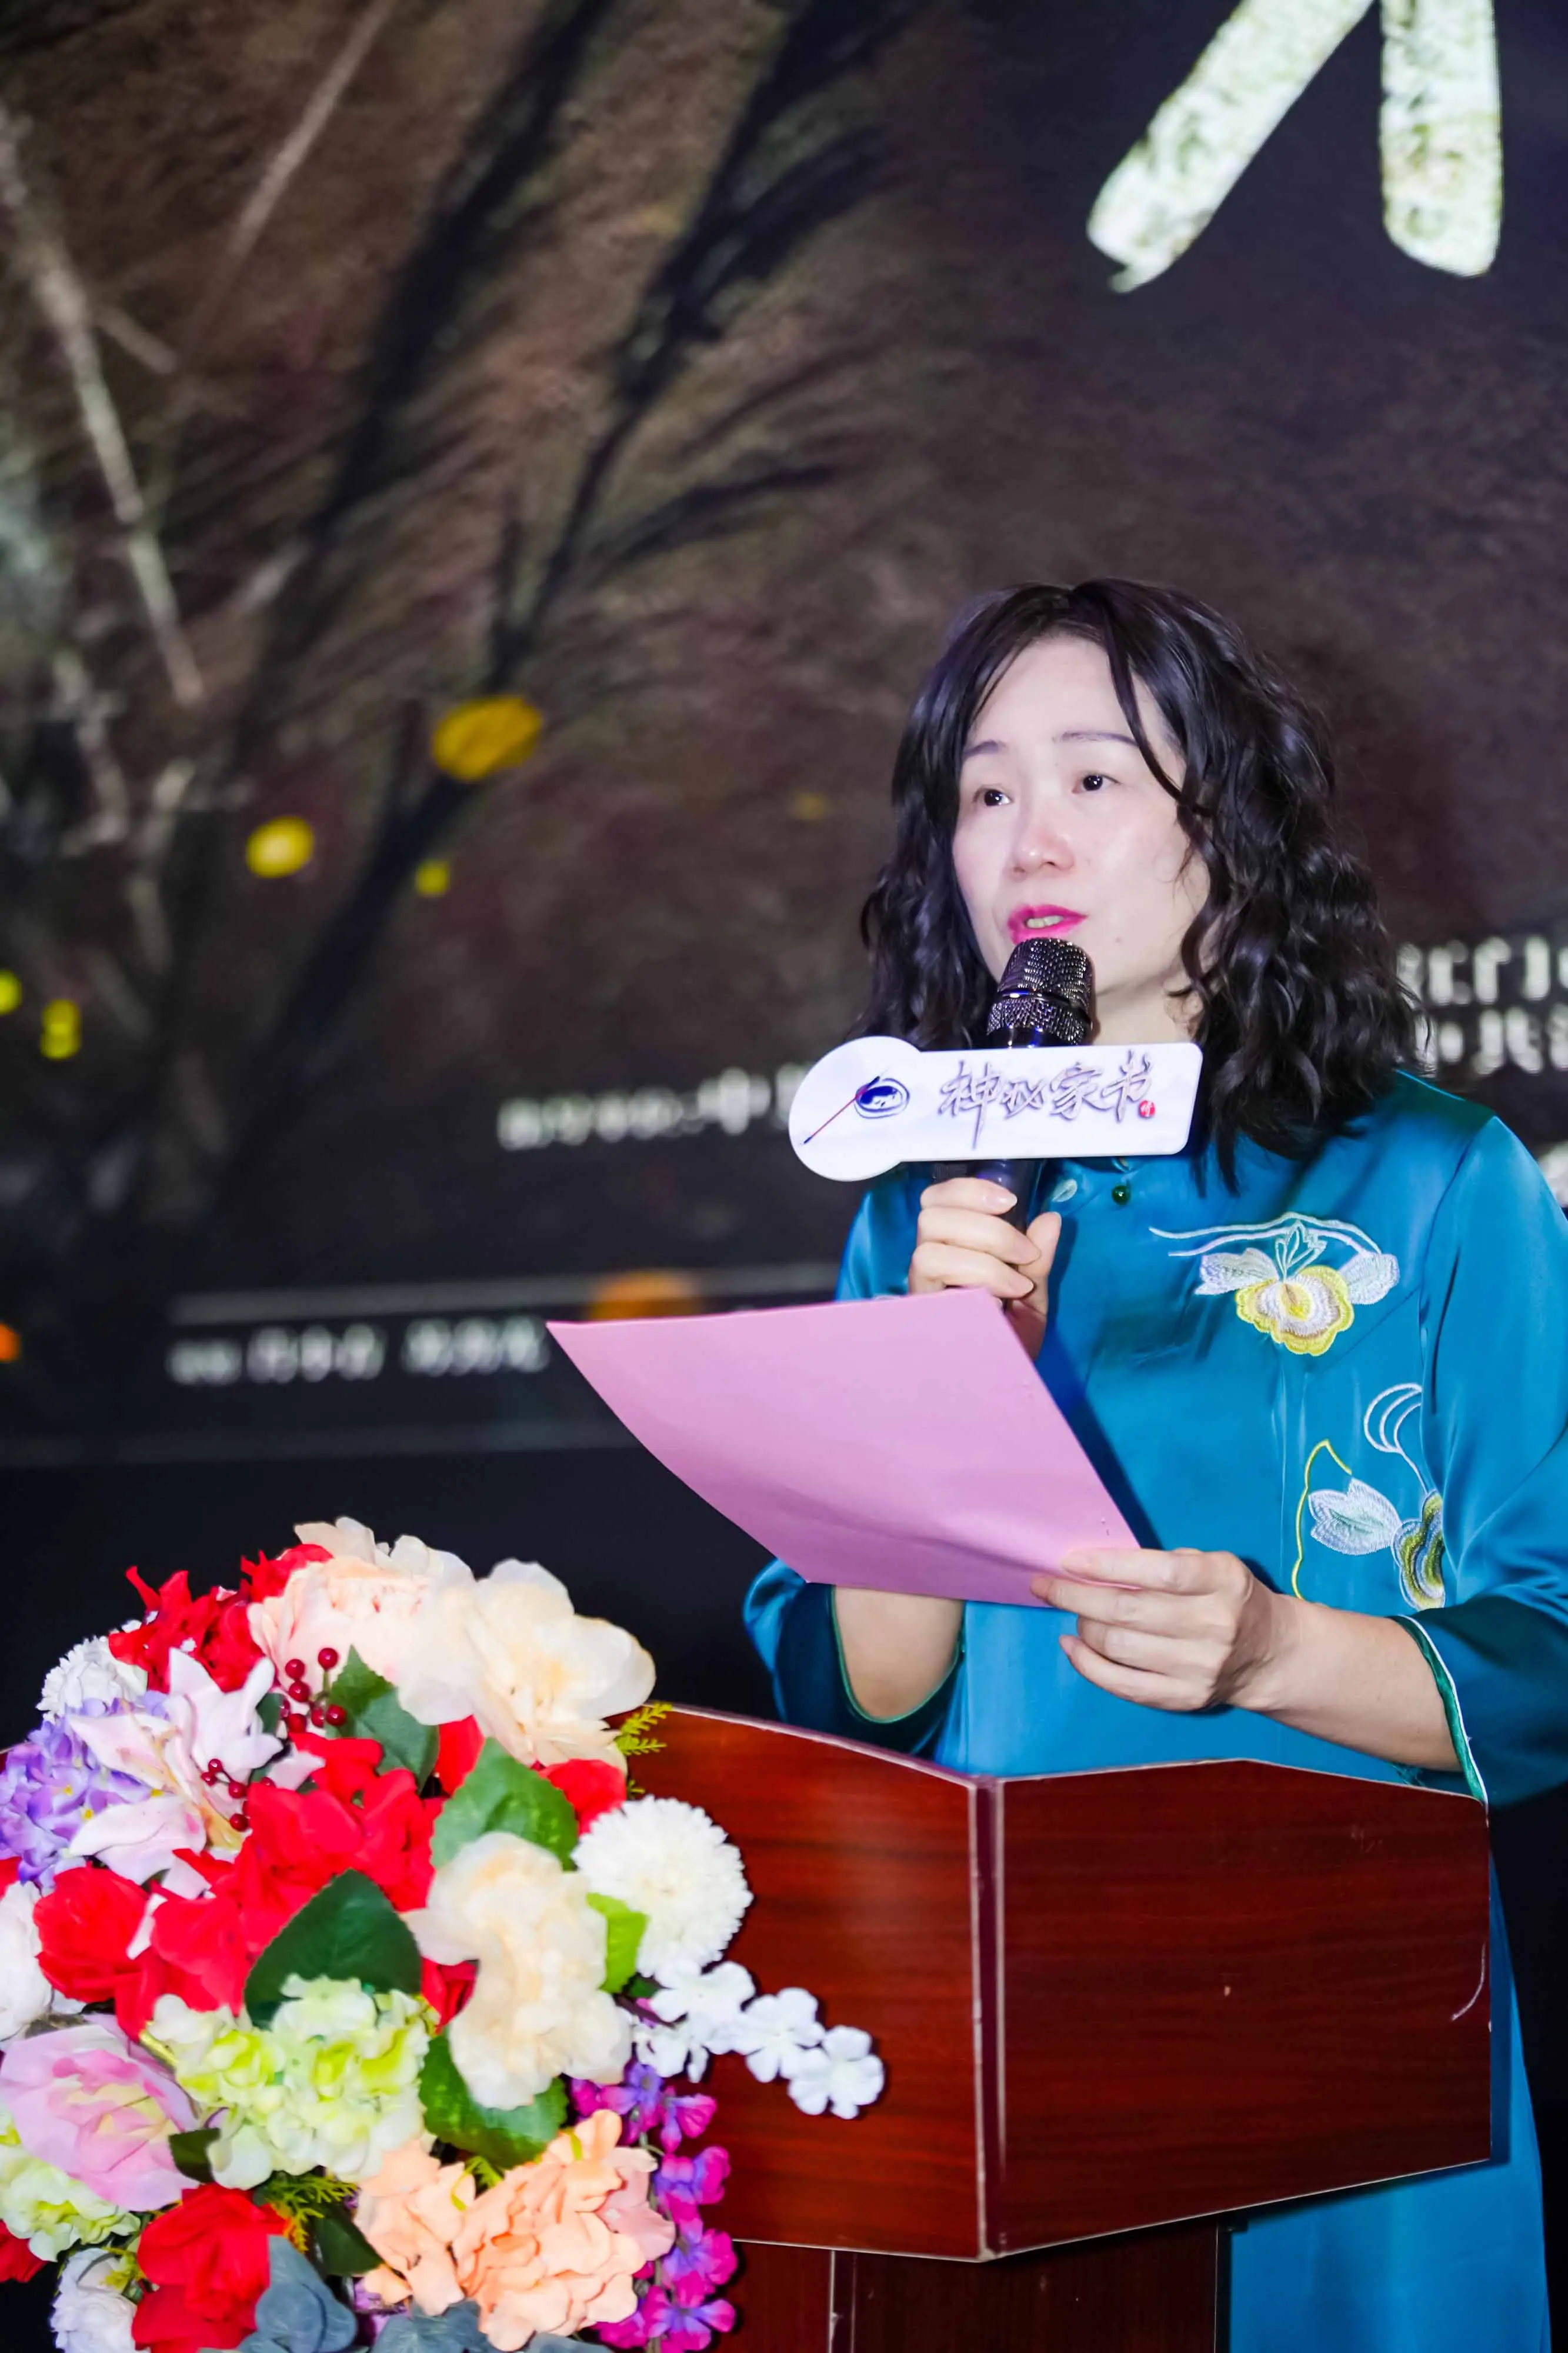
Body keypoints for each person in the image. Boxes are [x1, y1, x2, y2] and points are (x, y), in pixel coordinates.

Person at [746, 580, 1566, 2352]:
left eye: (1095, 779)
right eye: (984, 790)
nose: (1028, 838)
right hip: (1010, 2013)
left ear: (1232, 828)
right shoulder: (927, 1209)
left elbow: (1551, 1654)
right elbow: (872, 1685)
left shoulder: (1434, 1177)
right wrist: (935, 1382)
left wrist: (1274, 1652)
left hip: (1345, 2009)